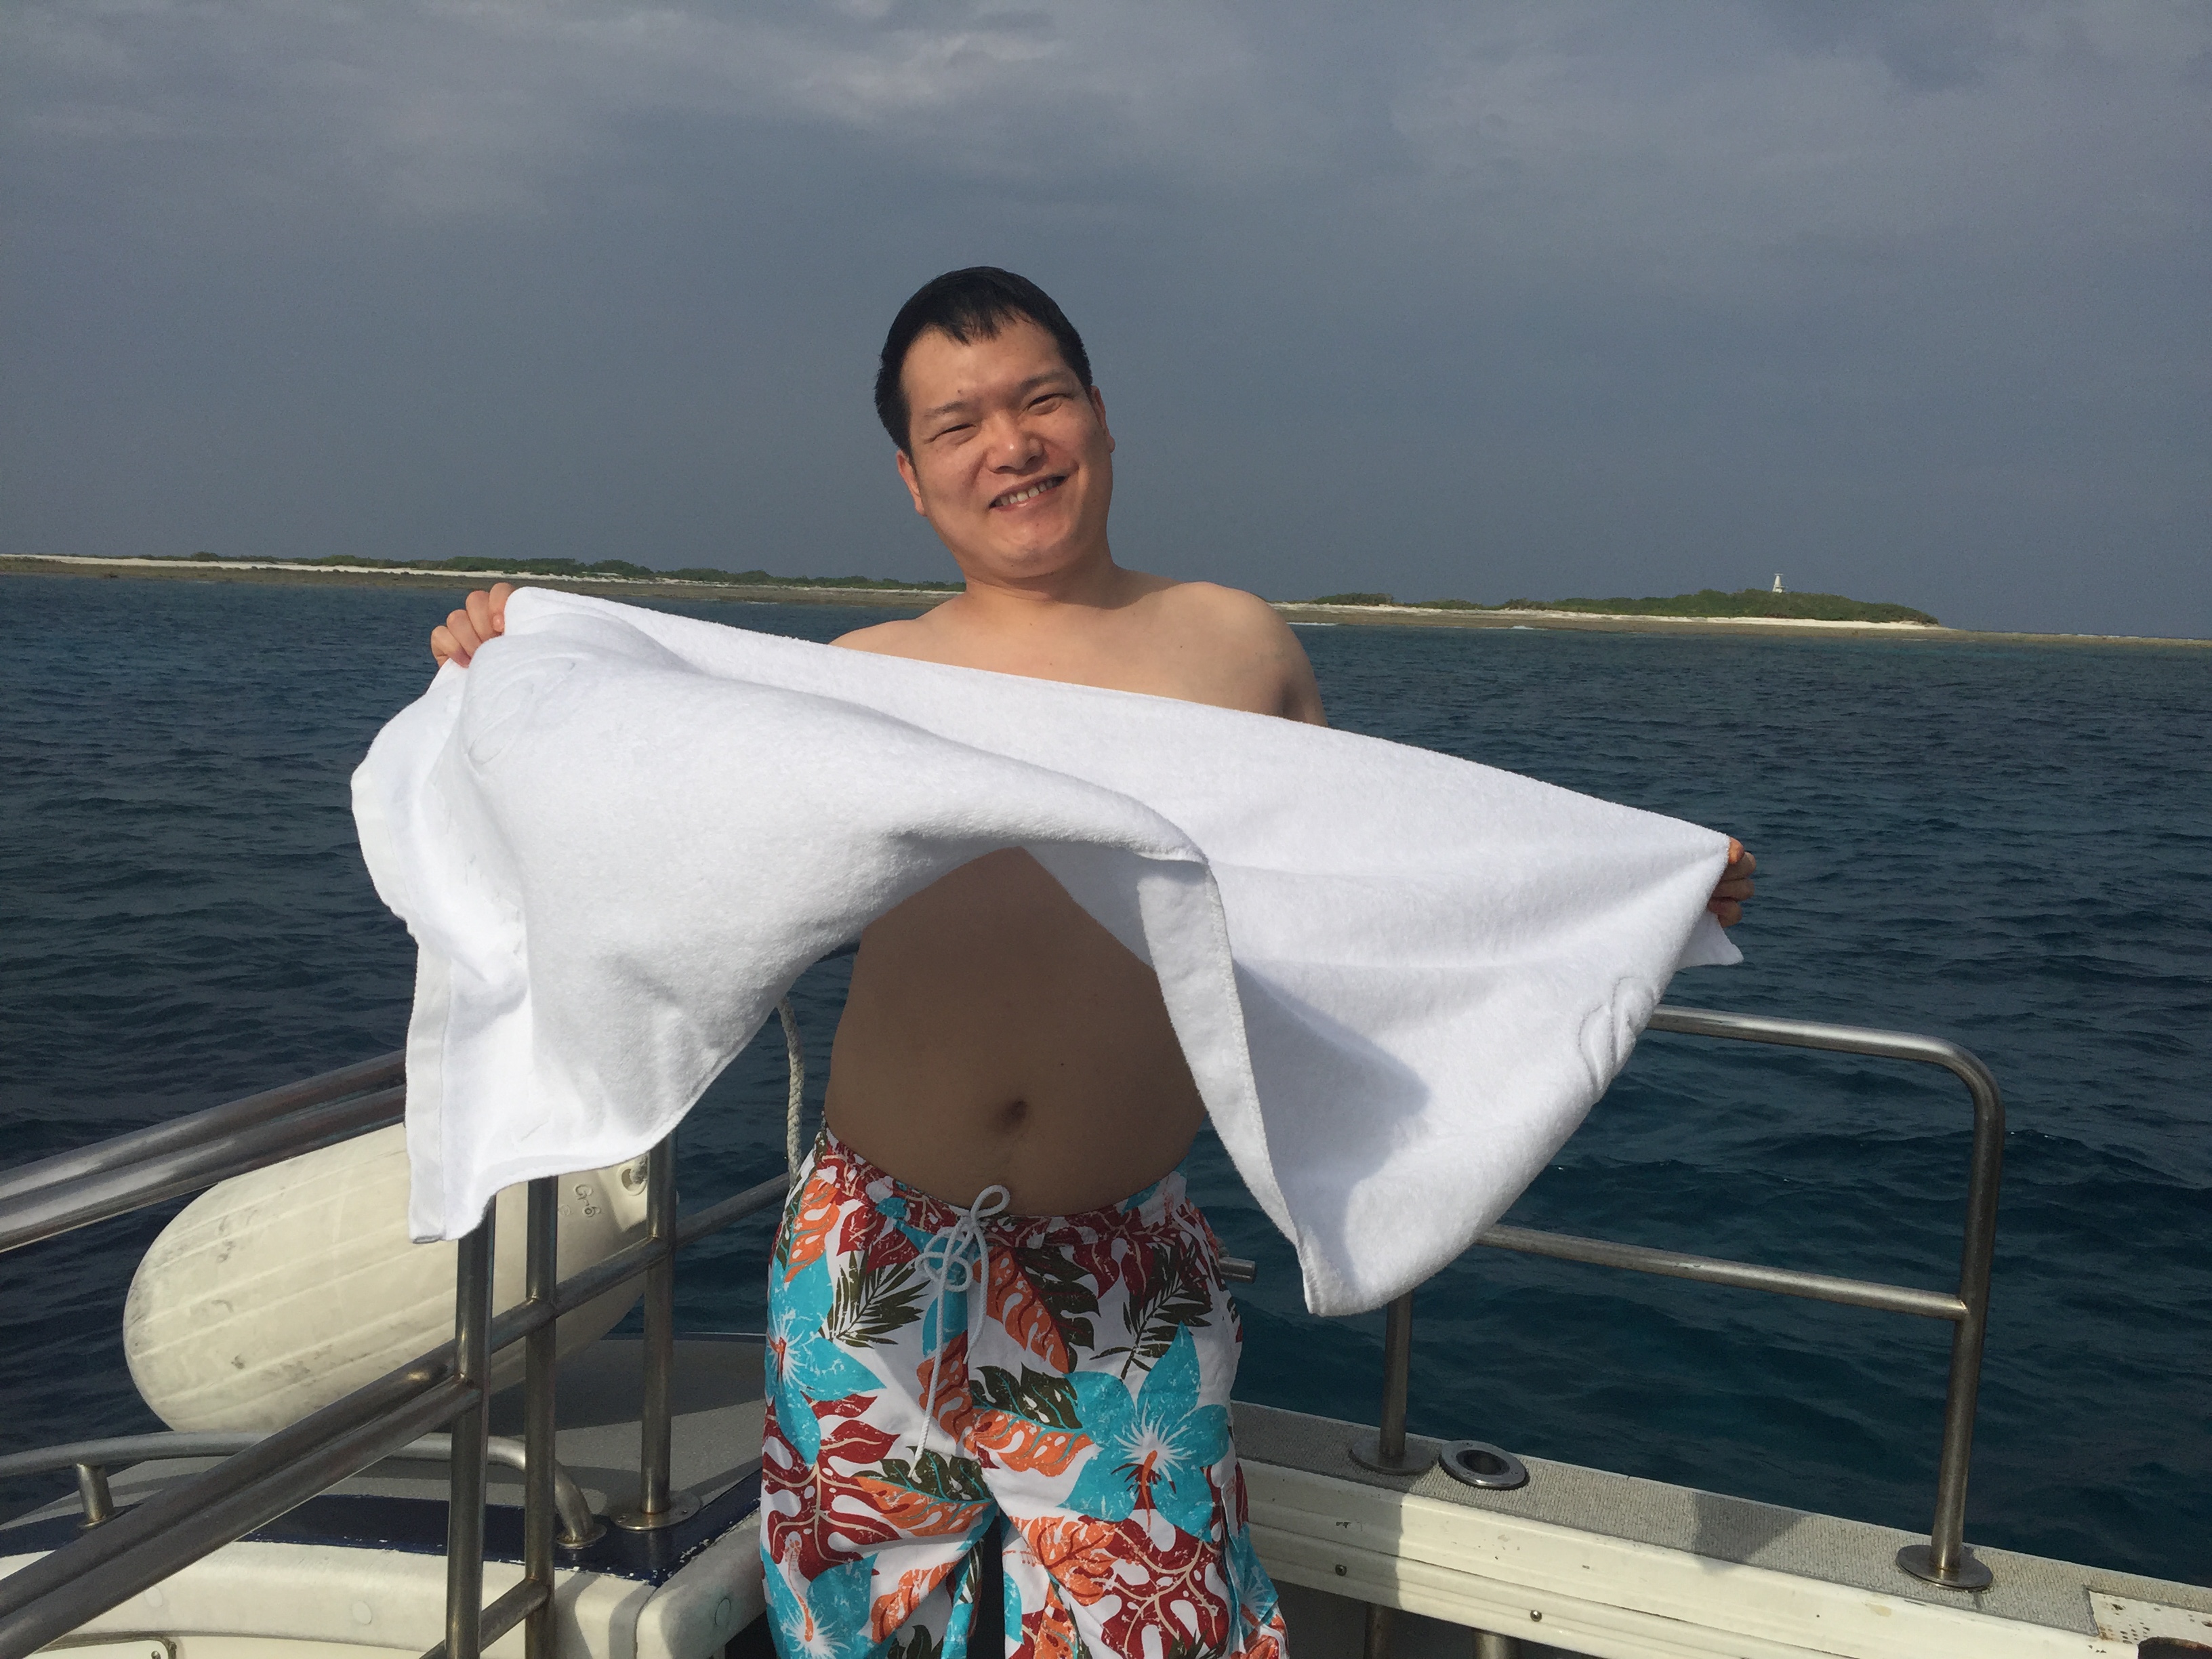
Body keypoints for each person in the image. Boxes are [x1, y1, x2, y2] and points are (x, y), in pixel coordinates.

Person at [430, 268, 1757, 1659]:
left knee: (1158, 1632)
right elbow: (636, 811)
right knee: (857, 1633)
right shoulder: (858, 676)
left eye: (1040, 400)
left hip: (1118, 1267)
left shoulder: (1236, 649)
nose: (1010, 444)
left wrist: (1633, 895)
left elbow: (1377, 891)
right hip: (870, 1248)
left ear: (1100, 416)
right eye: (958, 425)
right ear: (913, 479)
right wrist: (517, 663)